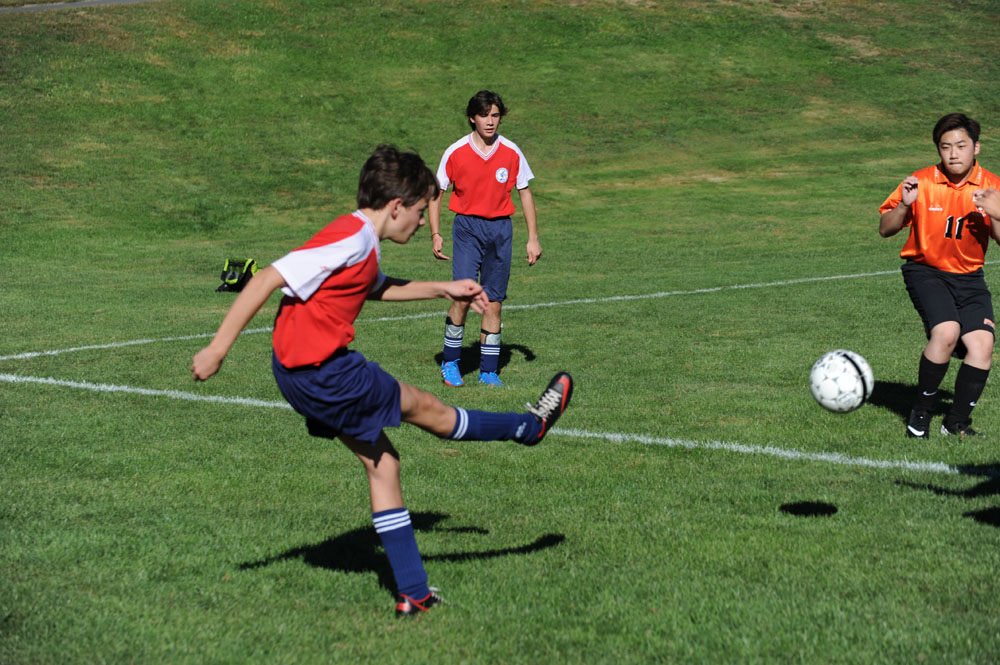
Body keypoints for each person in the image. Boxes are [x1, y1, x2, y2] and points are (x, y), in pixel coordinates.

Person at [191, 145, 573, 617]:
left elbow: (373, 286)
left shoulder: (360, 239)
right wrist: (217, 348)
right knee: (430, 410)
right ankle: (526, 428)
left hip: (296, 374)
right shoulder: (349, 238)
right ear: (396, 207)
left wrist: (442, 287)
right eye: (417, 213)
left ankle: (413, 594)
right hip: (327, 372)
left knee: (384, 464)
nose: (419, 222)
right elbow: (266, 277)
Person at [878, 113, 1000, 439]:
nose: (953, 154)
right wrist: (904, 206)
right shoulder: (921, 181)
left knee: (982, 345)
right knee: (946, 333)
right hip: (926, 271)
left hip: (970, 277)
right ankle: (920, 415)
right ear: (938, 150)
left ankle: (955, 423)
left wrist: (998, 215)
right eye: (945, 147)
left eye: (961, 145)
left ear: (976, 147)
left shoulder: (992, 186)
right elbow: (884, 229)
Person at [429, 90, 541, 387]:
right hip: (467, 229)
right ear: (472, 118)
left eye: (495, 115)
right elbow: (435, 194)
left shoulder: (512, 151)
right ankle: (451, 363)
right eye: (484, 116)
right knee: (464, 296)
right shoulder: (455, 152)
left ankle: (488, 371)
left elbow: (525, 192)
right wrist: (436, 233)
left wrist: (533, 237)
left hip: (501, 231)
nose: (490, 122)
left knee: (493, 302)